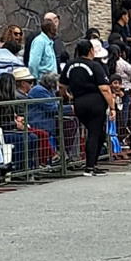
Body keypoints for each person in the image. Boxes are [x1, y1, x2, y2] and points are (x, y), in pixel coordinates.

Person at [64, 39, 114, 175]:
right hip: (95, 102)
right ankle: (90, 167)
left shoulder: (70, 65)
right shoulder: (95, 66)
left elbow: (62, 85)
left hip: (79, 102)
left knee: (98, 134)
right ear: (91, 50)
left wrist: (67, 96)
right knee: (94, 132)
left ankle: (93, 163)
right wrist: (112, 107)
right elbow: (105, 88)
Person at [28, 13, 60, 83]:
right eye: (53, 27)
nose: (55, 29)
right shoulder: (39, 41)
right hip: (42, 81)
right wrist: (35, 79)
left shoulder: (50, 42)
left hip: (52, 81)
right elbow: (33, 63)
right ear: (50, 29)